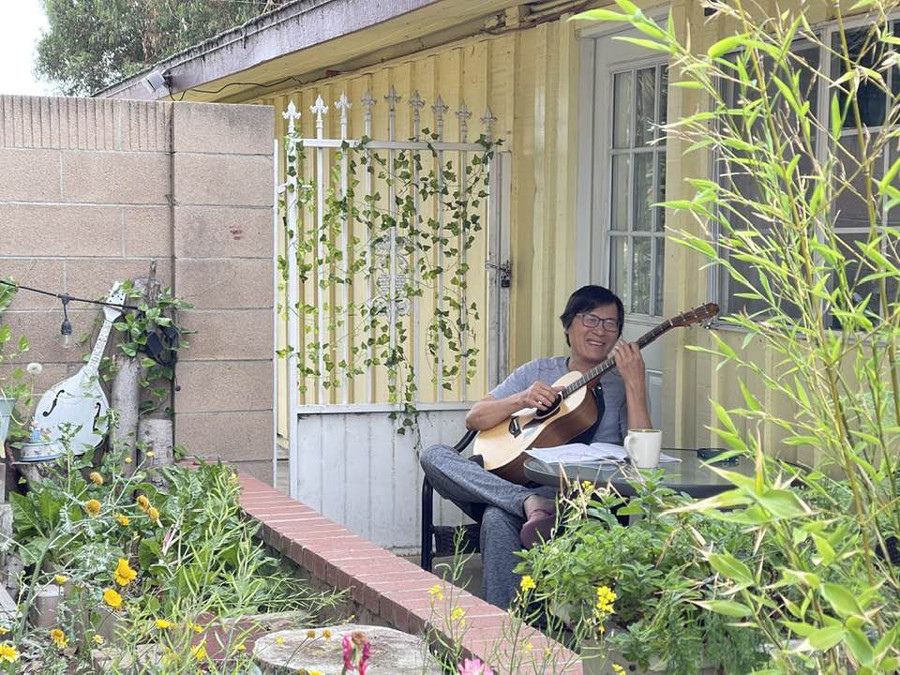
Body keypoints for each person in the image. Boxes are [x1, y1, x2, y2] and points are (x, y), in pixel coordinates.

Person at [419, 285, 652, 609]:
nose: (601, 330)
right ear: (568, 325)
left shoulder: (624, 382)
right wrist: (520, 399)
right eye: (590, 319)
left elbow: (645, 459)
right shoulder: (538, 371)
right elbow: (475, 418)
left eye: (611, 324)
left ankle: (510, 632)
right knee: (434, 456)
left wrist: (635, 383)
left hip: (582, 500)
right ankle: (527, 501)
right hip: (509, 484)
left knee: (497, 520)